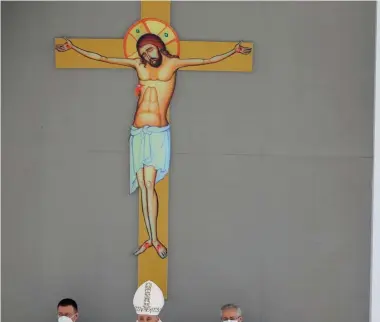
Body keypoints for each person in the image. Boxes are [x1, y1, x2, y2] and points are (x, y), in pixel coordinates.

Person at [55, 34, 252, 259]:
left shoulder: (174, 63)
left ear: (158, 47)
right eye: (143, 53)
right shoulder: (138, 65)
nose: (147, 56)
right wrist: (74, 48)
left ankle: (155, 239)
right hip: (137, 131)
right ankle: (150, 238)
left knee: (149, 184)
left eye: (149, 50)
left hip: (157, 132)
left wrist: (233, 52)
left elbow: (206, 60)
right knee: (143, 185)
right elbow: (103, 58)